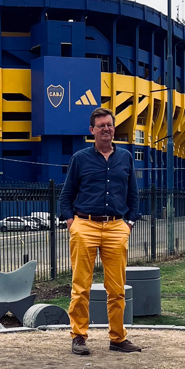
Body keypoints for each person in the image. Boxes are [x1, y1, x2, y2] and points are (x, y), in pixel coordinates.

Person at [58, 107, 140, 356]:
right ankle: (79, 337)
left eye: (110, 125)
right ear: (91, 130)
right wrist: (72, 223)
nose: (106, 128)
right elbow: (66, 196)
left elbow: (133, 195)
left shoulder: (126, 157)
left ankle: (118, 338)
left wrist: (129, 224)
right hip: (85, 225)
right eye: (101, 125)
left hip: (117, 226)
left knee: (116, 289)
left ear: (114, 129)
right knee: (80, 286)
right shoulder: (80, 158)